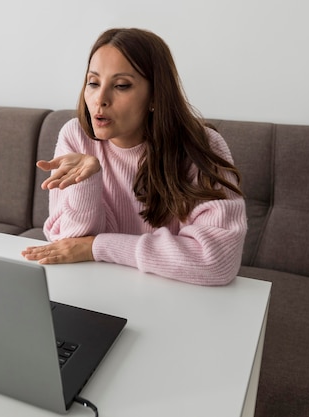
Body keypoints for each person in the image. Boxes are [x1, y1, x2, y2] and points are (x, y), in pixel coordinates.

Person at [21, 28, 247, 286]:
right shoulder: (76, 136)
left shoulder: (202, 146)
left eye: (121, 86)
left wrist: (98, 246)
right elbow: (67, 243)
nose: (100, 100)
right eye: (93, 82)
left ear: (154, 96)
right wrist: (88, 180)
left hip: (174, 293)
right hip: (96, 287)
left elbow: (217, 261)